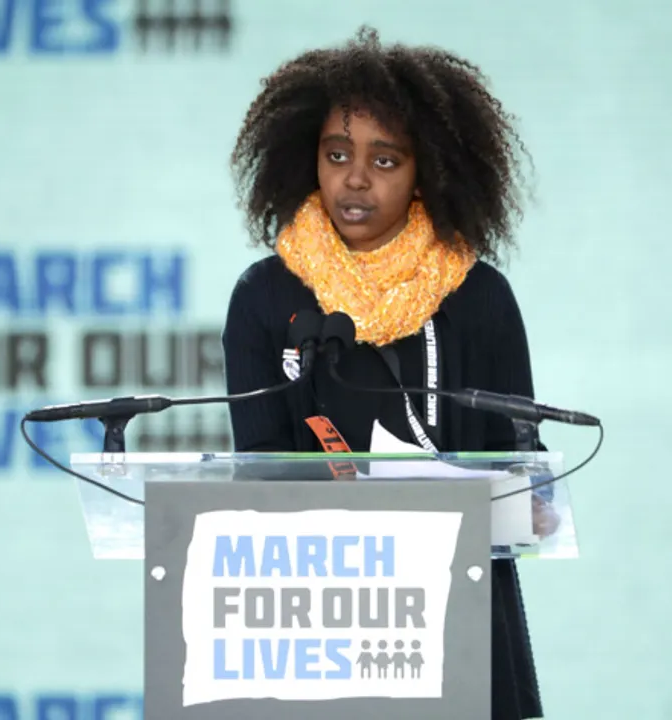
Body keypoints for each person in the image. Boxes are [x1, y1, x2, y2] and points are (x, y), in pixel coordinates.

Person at [221, 26, 549, 720]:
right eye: (335, 154)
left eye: (385, 159)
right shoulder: (264, 296)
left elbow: (520, 454)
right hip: (312, 610)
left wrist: (529, 491)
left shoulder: (478, 296)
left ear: (425, 169)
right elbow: (257, 464)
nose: (354, 179)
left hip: (457, 602)